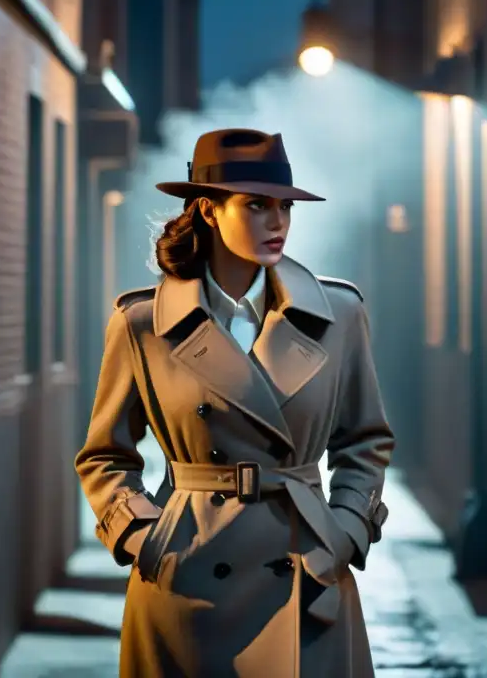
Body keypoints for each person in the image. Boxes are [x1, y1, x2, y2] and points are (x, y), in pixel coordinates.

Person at [75, 128, 394, 677]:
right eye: (256, 205)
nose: (278, 223)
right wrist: (145, 538)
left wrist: (344, 531)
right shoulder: (144, 325)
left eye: (285, 208)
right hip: (187, 577)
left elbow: (364, 442)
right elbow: (105, 457)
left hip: (305, 573)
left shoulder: (338, 316)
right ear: (207, 210)